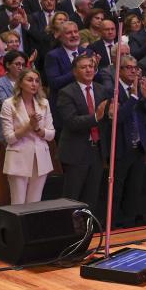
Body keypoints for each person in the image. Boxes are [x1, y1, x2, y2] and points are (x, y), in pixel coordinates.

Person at [56, 54, 110, 214]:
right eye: (83, 67)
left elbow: (106, 119)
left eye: (91, 66)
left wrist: (111, 115)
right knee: (72, 197)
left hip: (97, 150)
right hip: (76, 151)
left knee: (91, 196)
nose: (88, 70)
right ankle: (68, 228)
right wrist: (96, 117)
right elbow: (71, 121)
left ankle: (88, 227)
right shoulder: (66, 92)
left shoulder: (101, 89)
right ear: (74, 71)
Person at [0, 69, 54, 205]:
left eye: (37, 81)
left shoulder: (44, 103)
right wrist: (29, 126)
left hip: (41, 159)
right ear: (20, 83)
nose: (34, 84)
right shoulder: (9, 104)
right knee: (18, 204)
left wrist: (37, 128)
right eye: (29, 80)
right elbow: (9, 138)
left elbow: (51, 134)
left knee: (34, 204)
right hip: (18, 158)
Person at [112, 55, 146, 227]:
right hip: (121, 148)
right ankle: (114, 225)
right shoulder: (114, 90)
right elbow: (119, 118)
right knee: (117, 190)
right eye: (128, 67)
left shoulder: (140, 90)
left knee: (134, 189)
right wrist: (134, 98)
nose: (132, 71)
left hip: (139, 147)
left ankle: (129, 225)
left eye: (135, 68)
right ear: (119, 70)